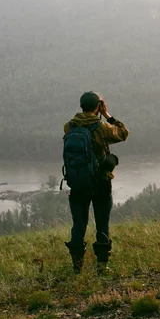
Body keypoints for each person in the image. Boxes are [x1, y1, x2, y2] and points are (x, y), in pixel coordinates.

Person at [64, 91, 129, 274]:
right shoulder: (101, 128)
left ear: (81, 106)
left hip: (77, 183)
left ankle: (77, 268)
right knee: (102, 223)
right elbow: (123, 133)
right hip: (100, 183)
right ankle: (102, 266)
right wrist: (107, 114)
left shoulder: (69, 127)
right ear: (97, 107)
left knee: (78, 224)